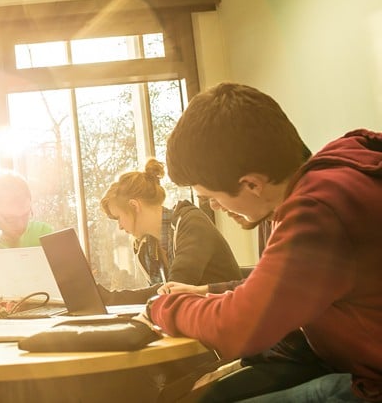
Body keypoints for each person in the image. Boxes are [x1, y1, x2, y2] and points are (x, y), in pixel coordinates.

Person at [141, 83, 382, 402]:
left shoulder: (318, 209)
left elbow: (239, 327)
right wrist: (208, 292)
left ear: (251, 184)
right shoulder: (339, 174)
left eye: (212, 197)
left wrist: (159, 307)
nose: (217, 207)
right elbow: (287, 286)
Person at [97, 159, 242, 305]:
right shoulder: (147, 248)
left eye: (118, 218)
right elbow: (162, 295)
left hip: (227, 318)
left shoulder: (191, 223)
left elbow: (174, 289)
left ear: (134, 206)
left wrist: (109, 299)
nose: (120, 227)